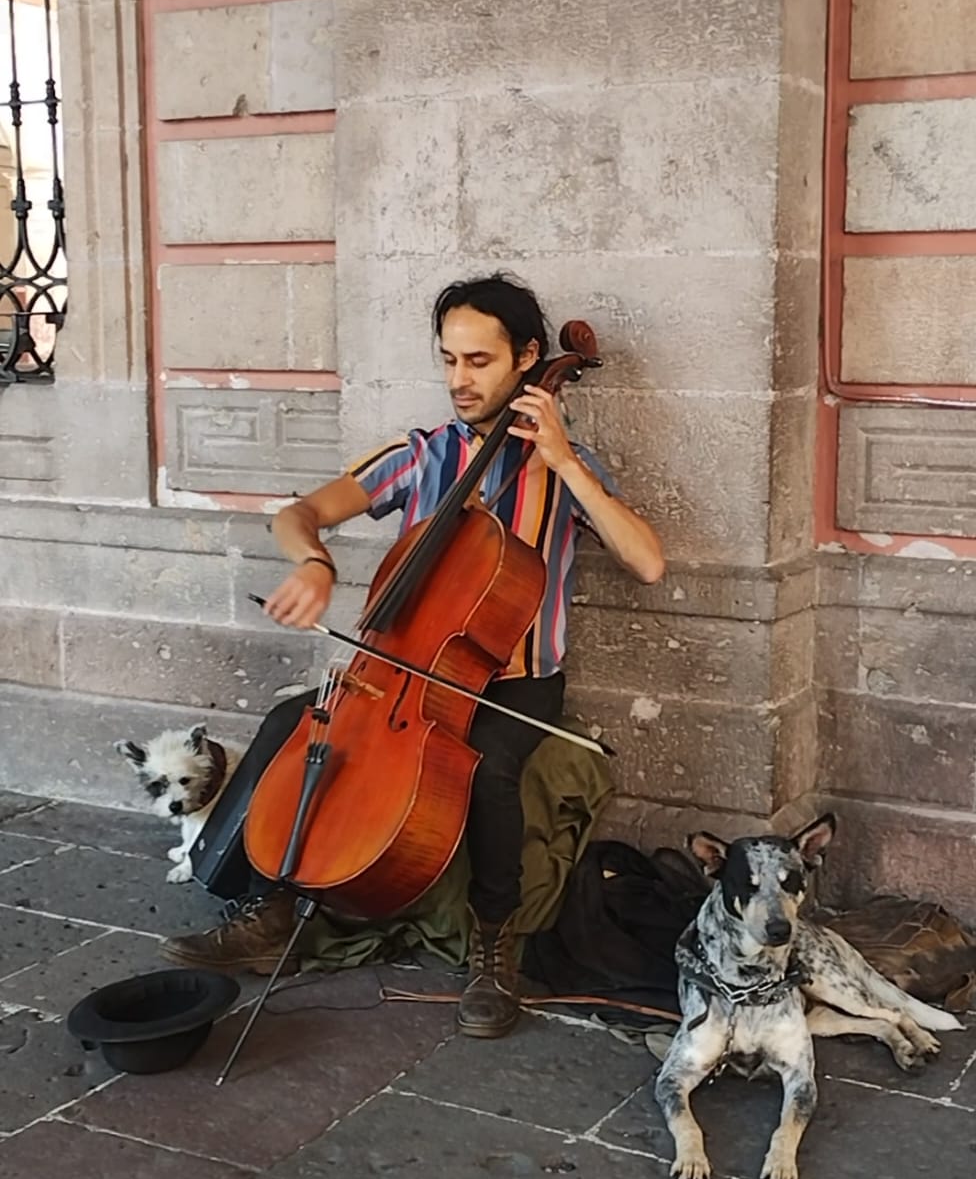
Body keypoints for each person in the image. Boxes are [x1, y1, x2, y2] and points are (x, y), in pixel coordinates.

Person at [162, 272, 665, 1037]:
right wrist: (314, 562)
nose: (459, 380)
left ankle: (494, 944)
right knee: (291, 725)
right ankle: (267, 906)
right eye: (449, 360)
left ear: (530, 359)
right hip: (397, 674)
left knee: (492, 771)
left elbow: (648, 561)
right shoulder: (423, 456)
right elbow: (300, 513)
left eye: (479, 362)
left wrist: (563, 461)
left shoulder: (567, 468)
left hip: (514, 685)